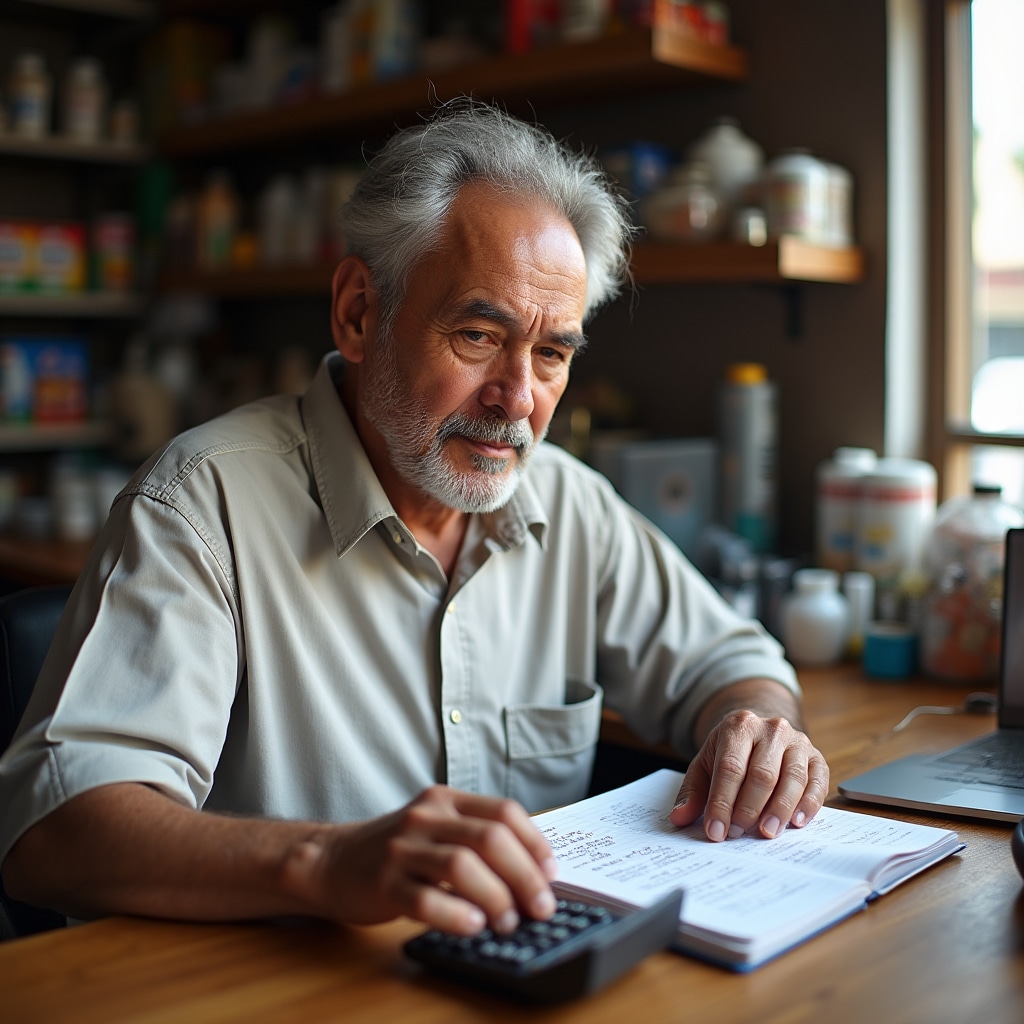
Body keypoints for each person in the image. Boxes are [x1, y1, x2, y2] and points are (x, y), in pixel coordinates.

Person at [0, 99, 828, 939]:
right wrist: (324, 864)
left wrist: (755, 727)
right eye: (477, 334)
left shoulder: (568, 502)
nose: (517, 399)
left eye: (551, 354)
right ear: (360, 313)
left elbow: (731, 662)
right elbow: (56, 835)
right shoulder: (201, 504)